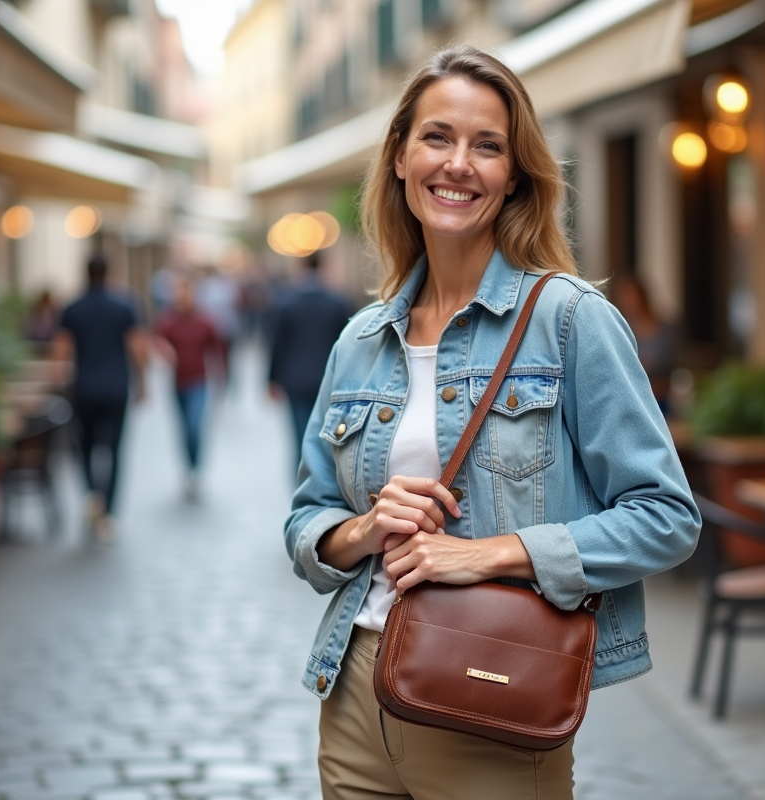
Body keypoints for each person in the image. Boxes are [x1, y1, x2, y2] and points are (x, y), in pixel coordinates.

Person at [283, 45, 700, 799]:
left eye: (488, 146)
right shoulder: (361, 341)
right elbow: (307, 519)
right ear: (401, 157)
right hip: (353, 703)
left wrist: (492, 554)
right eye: (438, 137)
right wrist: (364, 529)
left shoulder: (571, 322)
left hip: (492, 706)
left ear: (513, 177)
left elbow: (666, 516)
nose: (459, 165)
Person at [54, 254, 147, 543]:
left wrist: (59, 385)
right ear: (109, 273)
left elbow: (61, 353)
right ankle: (107, 511)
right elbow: (137, 348)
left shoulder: (72, 308)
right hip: (116, 389)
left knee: (85, 449)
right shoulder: (124, 305)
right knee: (115, 451)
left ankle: (92, 496)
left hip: (83, 390)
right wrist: (142, 382)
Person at [268, 251, 351, 466]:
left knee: (300, 436)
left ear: (301, 267)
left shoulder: (286, 302)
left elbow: (277, 344)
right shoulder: (337, 302)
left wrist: (271, 379)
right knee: (325, 437)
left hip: (294, 380)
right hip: (328, 379)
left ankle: (301, 484)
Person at [154, 276, 223, 500]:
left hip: (199, 383)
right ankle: (189, 470)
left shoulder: (205, 321)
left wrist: (222, 377)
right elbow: (155, 341)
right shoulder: (168, 321)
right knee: (184, 429)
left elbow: (217, 348)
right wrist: (163, 350)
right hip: (177, 384)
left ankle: (196, 469)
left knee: (195, 426)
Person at [611, 274, 678, 414]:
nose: (627, 301)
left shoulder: (666, 330)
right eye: (622, 296)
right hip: (631, 402)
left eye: (630, 295)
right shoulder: (619, 330)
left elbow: (674, 366)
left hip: (661, 400)